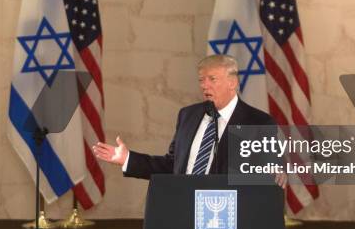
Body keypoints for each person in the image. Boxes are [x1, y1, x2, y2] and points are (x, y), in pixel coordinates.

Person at [92, 54, 286, 187]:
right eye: (202, 80)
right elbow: (172, 166)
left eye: (212, 79)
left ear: (232, 83)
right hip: (184, 208)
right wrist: (128, 159)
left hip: (231, 216)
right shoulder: (188, 115)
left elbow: (269, 170)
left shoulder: (258, 122)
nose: (205, 85)